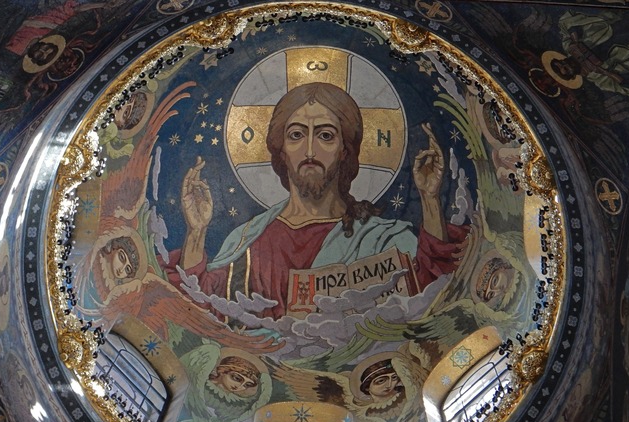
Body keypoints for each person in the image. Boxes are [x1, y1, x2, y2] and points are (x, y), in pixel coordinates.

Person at [162, 82, 468, 319]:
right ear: (281, 150)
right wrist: (197, 232)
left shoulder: (380, 237)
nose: (310, 150)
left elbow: (429, 287)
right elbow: (200, 306)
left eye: (325, 136)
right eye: (296, 135)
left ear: (345, 150)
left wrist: (430, 199)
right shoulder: (250, 240)